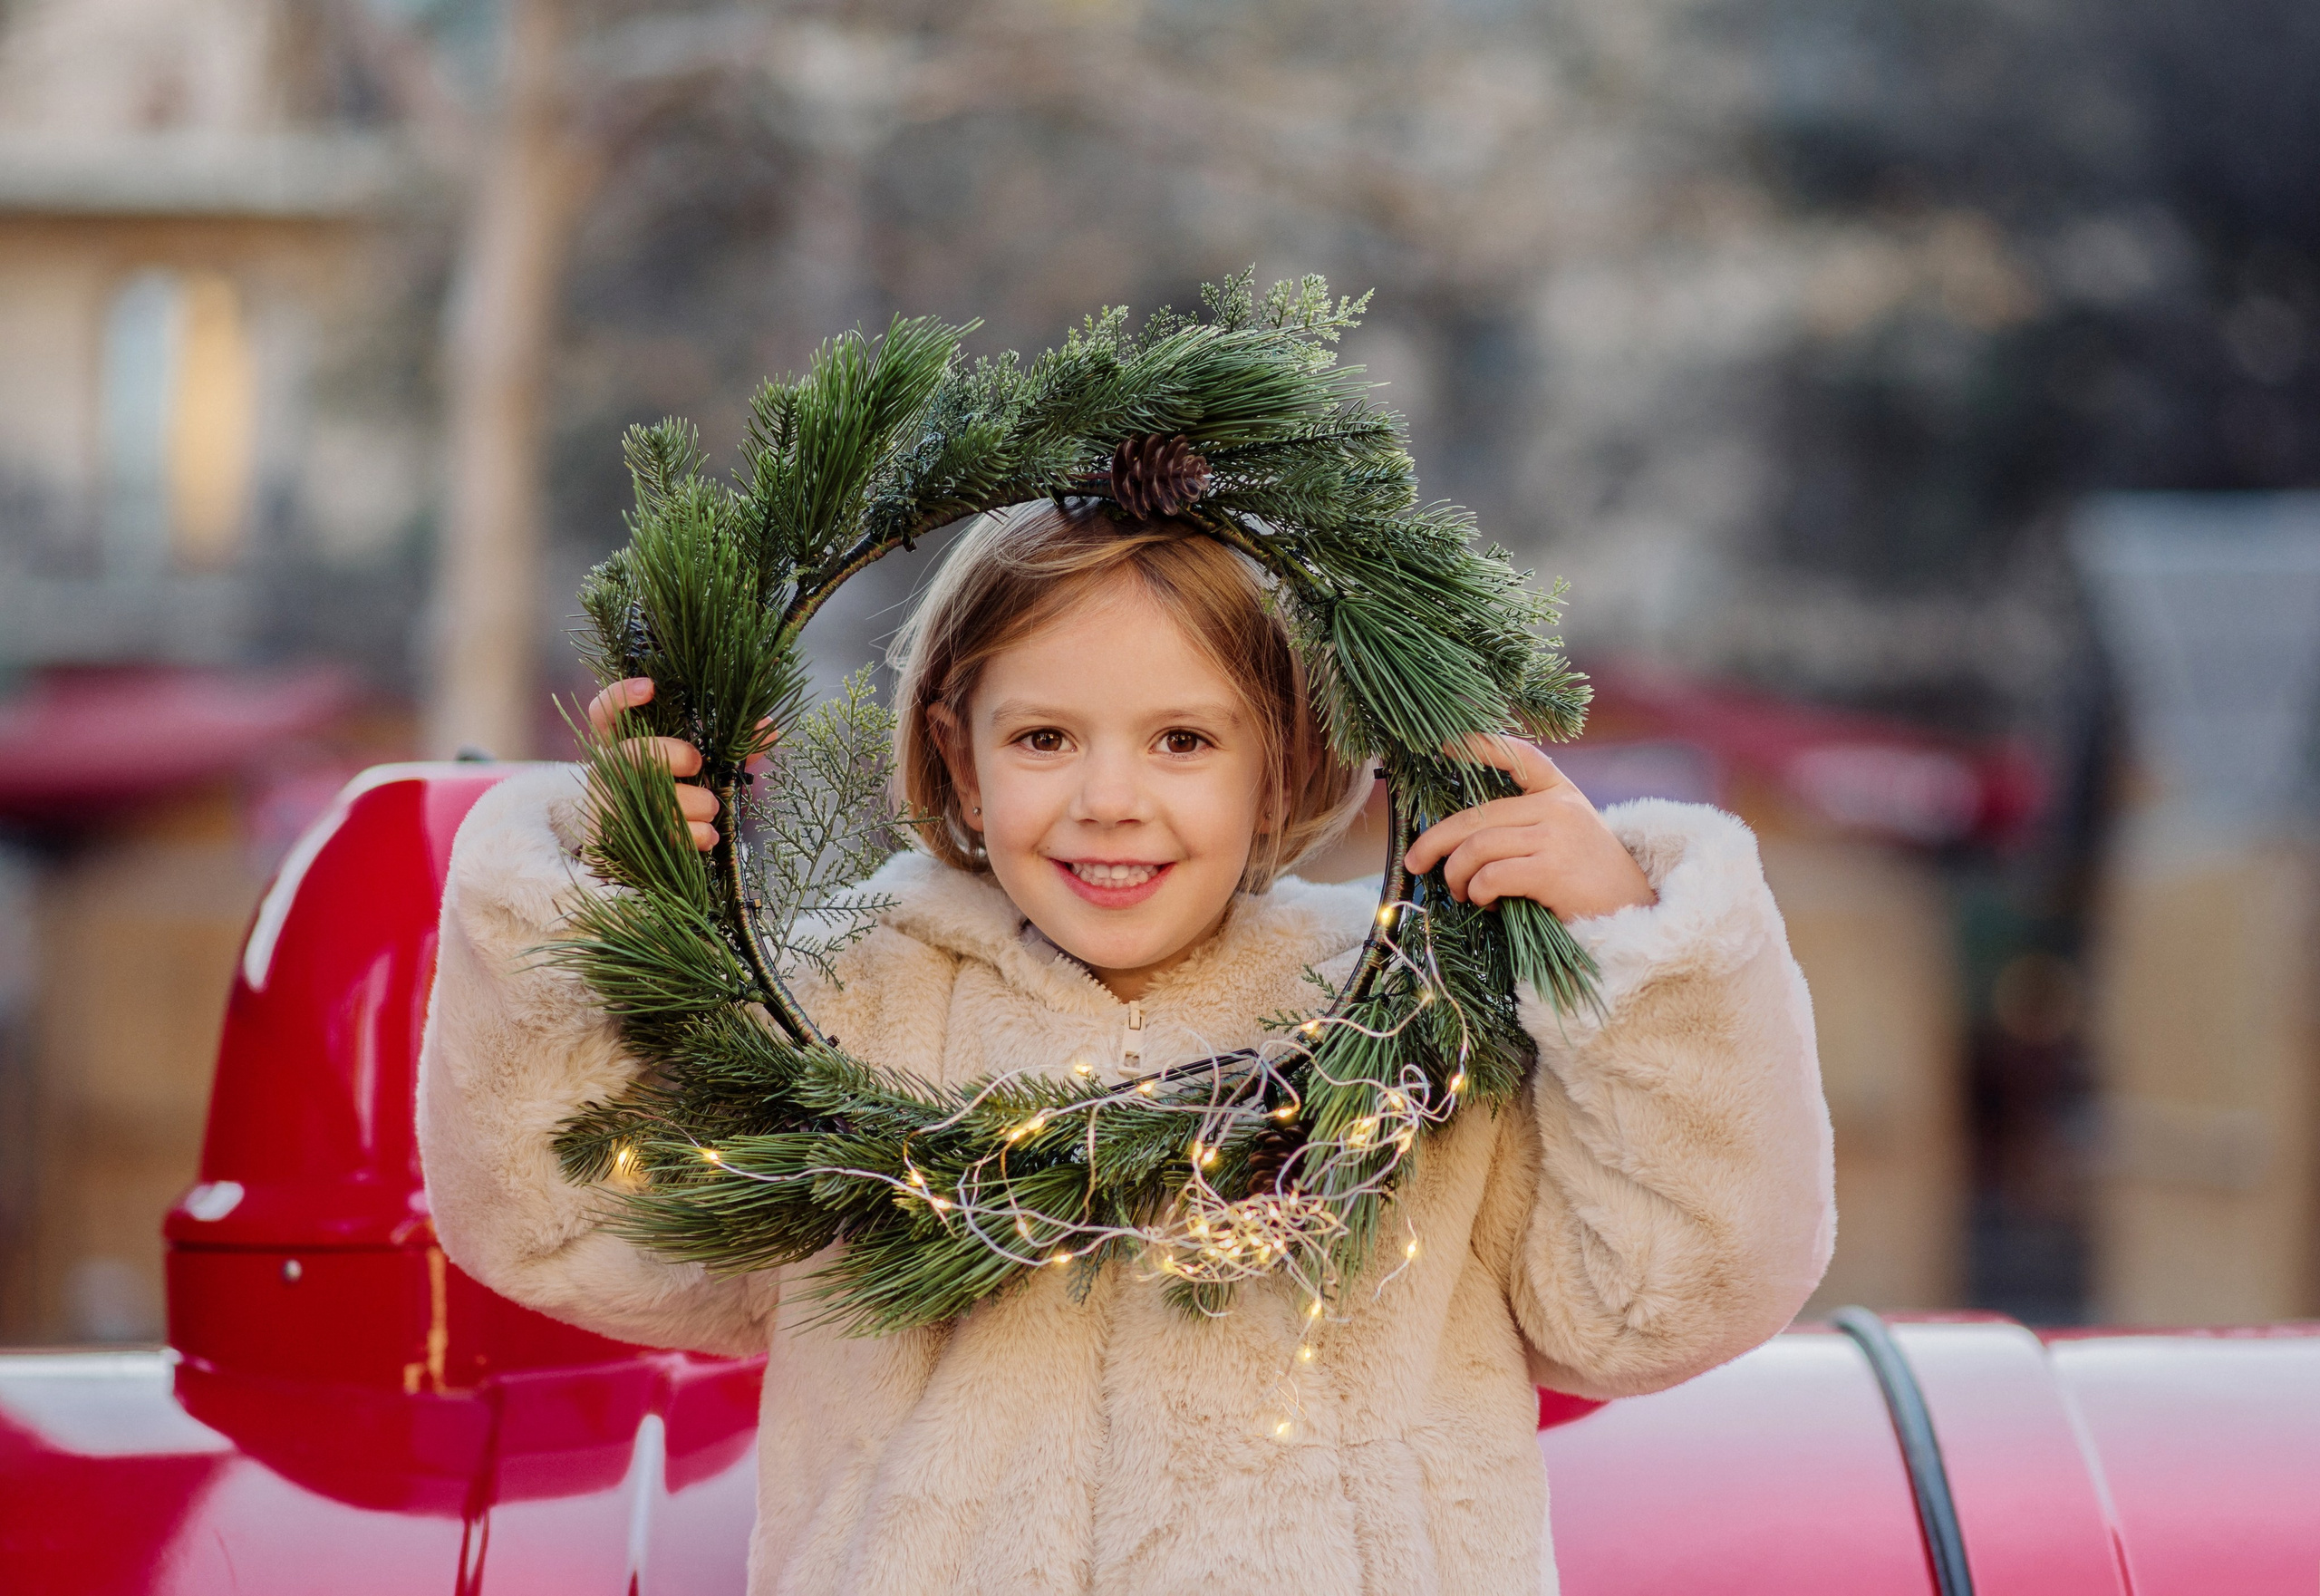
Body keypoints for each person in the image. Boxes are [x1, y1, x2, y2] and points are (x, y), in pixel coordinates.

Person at [417, 501, 1834, 1595]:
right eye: (1043, 736)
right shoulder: (845, 1007)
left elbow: (1668, 1294)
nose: (1109, 800)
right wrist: (602, 903)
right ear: (958, 758)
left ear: (1279, 758)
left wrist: (1629, 951)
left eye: (1179, 739)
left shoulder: (1416, 1027)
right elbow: (570, 1215)